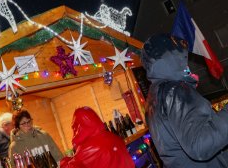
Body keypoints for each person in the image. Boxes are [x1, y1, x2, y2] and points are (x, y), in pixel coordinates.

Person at [141, 33, 228, 168]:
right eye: (181, 56)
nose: (185, 62)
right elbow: (200, 144)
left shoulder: (153, 99)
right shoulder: (173, 91)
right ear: (169, 57)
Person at [60, 106, 135, 168]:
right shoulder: (112, 136)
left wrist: (64, 160)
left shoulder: (87, 148)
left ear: (79, 126)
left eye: (75, 127)